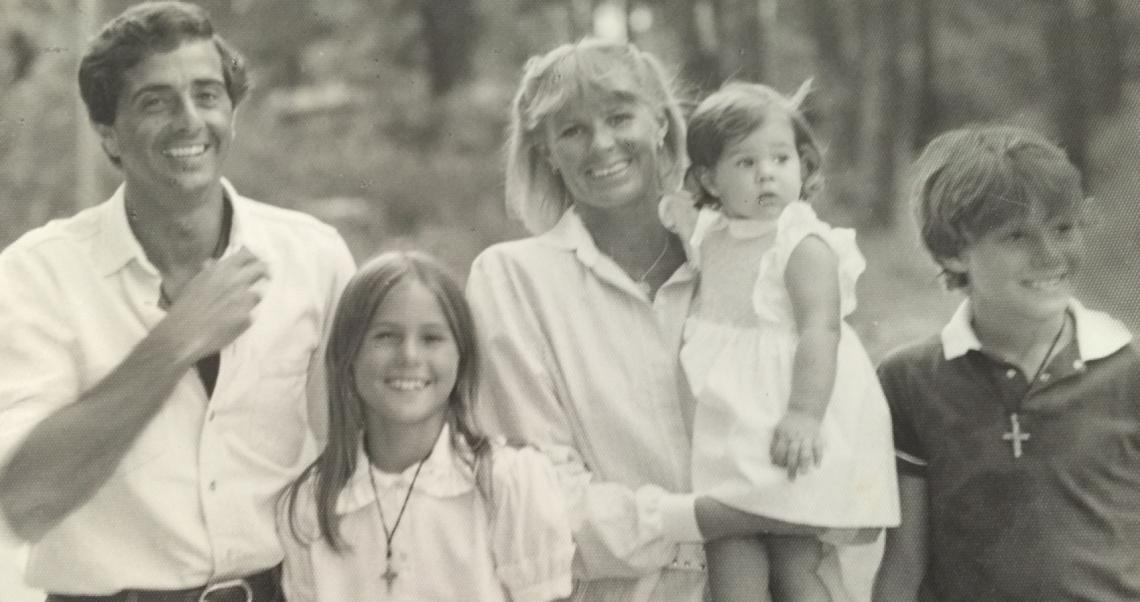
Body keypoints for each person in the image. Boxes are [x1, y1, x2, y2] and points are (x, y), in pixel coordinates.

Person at [0, 2, 355, 599]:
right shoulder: (34, 277)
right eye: (155, 101)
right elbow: (25, 500)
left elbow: (360, 472)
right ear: (108, 134)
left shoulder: (313, 259)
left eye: (207, 95)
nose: (190, 120)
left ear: (232, 115)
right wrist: (174, 342)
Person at [466, 39, 823, 602]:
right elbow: (540, 504)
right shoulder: (513, 280)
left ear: (661, 122)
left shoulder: (752, 252)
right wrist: (709, 518)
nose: (602, 144)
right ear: (545, 151)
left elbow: (826, 419)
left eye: (618, 116)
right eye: (572, 130)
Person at [872, 125, 1140, 601]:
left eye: (1063, 228)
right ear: (952, 252)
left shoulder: (1129, 367)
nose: (1050, 254)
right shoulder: (908, 380)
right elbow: (904, 559)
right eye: (1017, 236)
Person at [659, 81, 898, 602]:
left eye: (781, 158)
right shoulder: (709, 236)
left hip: (788, 420)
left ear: (802, 164)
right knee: (730, 549)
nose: (767, 172)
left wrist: (805, 414)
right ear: (708, 178)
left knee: (797, 556)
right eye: (745, 163)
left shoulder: (801, 242)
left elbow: (821, 329)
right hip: (730, 426)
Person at [278, 251, 574, 601]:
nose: (410, 357)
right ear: (348, 355)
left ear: (461, 356)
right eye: (386, 336)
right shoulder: (314, 501)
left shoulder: (508, 482)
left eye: (432, 338)